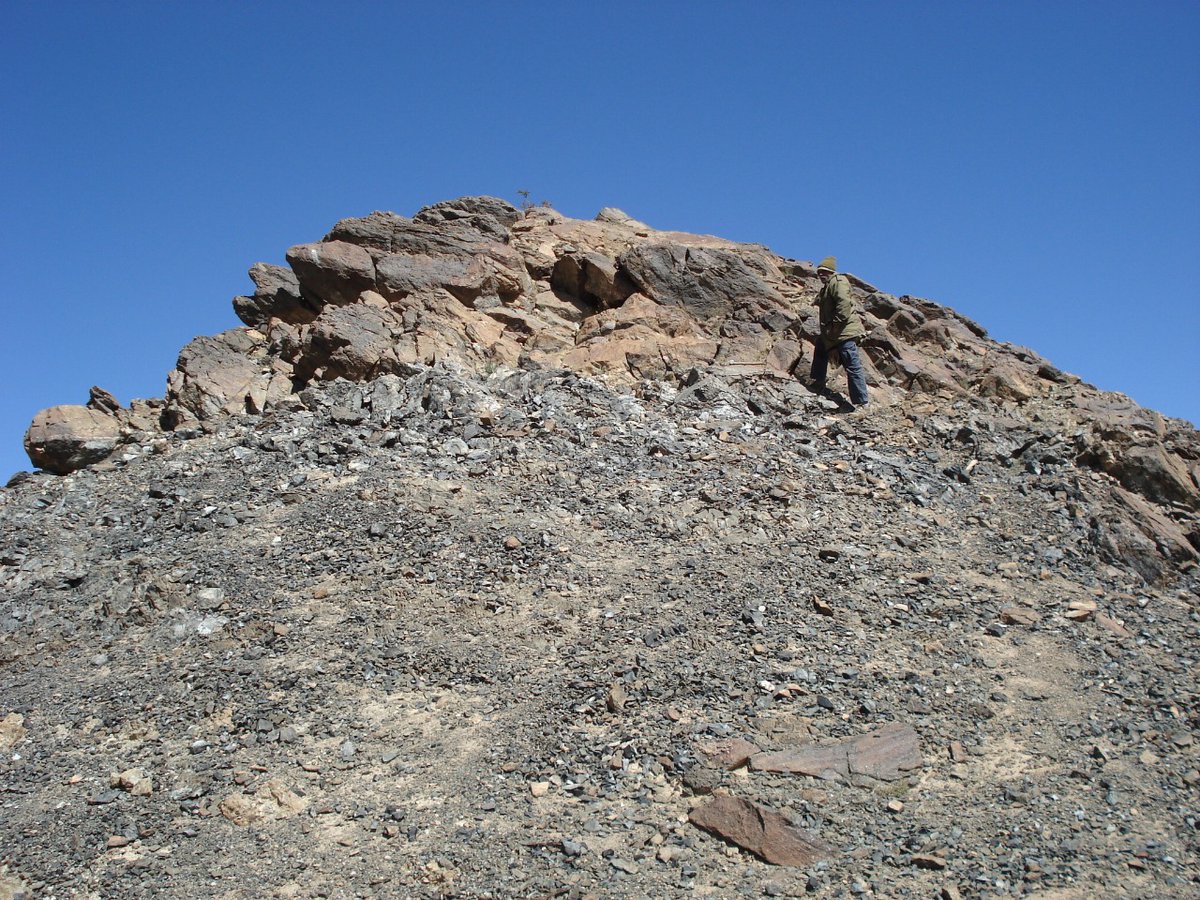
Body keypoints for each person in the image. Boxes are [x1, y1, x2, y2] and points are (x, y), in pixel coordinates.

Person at [809, 256, 868, 409]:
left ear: (829, 272)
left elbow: (843, 304)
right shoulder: (828, 286)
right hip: (834, 332)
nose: (820, 275)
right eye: (818, 273)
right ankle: (818, 381)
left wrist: (835, 325)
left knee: (852, 364)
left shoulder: (839, 282)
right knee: (820, 347)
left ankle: (862, 403)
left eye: (822, 272)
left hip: (844, 332)